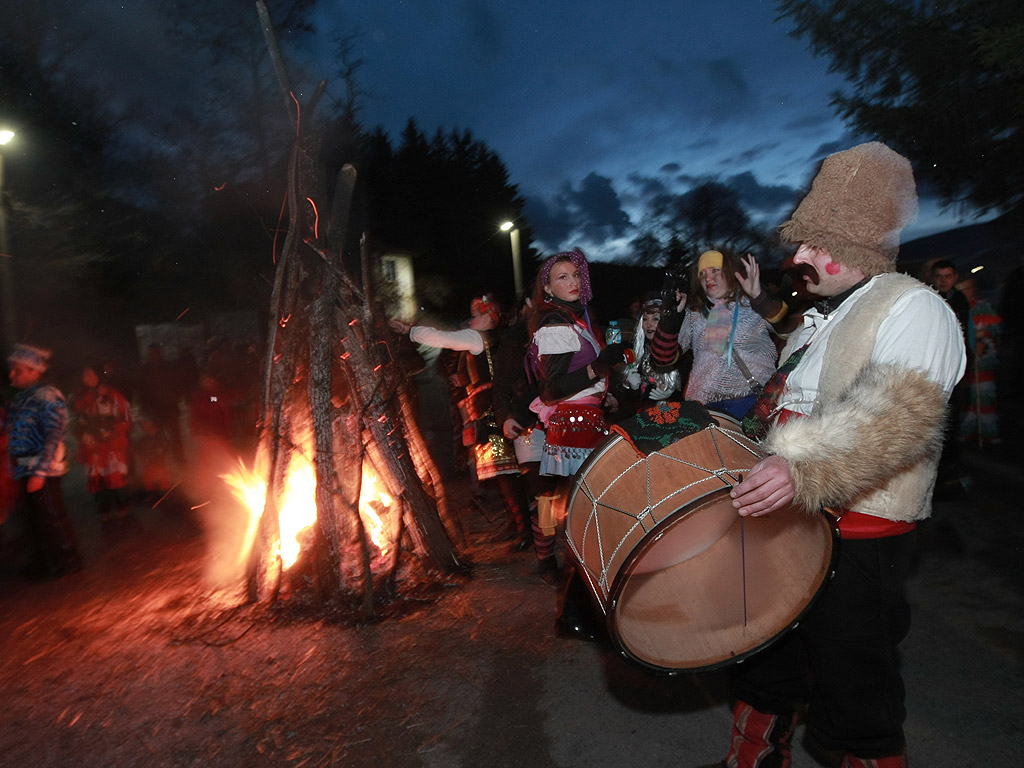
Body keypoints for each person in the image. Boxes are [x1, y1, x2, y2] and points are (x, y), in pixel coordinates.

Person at [711, 142, 966, 768]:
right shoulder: (821, 315)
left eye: (813, 242)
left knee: (855, 692)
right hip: (791, 523)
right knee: (769, 662)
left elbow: (894, 418)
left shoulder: (916, 306)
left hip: (860, 534)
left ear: (854, 244)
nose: (797, 256)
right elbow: (797, 389)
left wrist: (799, 469)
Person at [526, 248, 630, 635]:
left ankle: (582, 610)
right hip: (573, 429)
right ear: (548, 287)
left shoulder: (573, 318)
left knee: (589, 514)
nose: (572, 283)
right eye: (562, 278)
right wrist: (598, 366)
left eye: (575, 276)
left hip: (586, 422)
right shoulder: (553, 321)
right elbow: (552, 388)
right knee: (586, 516)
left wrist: (606, 390)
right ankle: (577, 612)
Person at [390, 295, 530, 545]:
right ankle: (516, 526)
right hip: (492, 412)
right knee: (504, 474)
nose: (470, 319)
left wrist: (411, 331)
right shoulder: (492, 341)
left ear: (488, 318)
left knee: (507, 475)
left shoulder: (478, 338)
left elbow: (443, 338)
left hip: (489, 414)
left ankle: (524, 532)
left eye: (475, 315)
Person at [677, 248, 787, 418]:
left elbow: (785, 329)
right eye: (702, 274)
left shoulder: (752, 304)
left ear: (730, 272)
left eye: (715, 270)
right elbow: (669, 357)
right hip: (704, 407)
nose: (708, 278)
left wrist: (759, 298)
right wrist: (670, 320)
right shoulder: (695, 313)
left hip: (750, 403)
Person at [3, 344, 83, 578]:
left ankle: (69, 562)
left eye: (18, 371)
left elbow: (53, 436)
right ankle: (46, 564)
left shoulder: (48, 396)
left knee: (52, 519)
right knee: (34, 522)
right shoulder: (22, 398)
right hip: (25, 469)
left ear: (34, 372)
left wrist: (40, 472)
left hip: (43, 470)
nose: (11, 375)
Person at [929, 259, 973, 486]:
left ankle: (950, 471)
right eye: (939, 276)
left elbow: (967, 336)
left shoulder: (960, 300)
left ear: (955, 278)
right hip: (934, 367)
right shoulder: (929, 301)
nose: (943, 281)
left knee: (952, 419)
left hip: (956, 368)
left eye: (948, 276)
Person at [71, 364, 133, 522]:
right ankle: (104, 509)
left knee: (115, 476)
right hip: (94, 447)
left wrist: (110, 428)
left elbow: (126, 420)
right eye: (84, 375)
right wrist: (84, 433)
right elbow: (78, 421)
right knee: (97, 478)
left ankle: (122, 507)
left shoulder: (114, 396)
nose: (86, 379)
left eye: (90, 375)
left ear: (99, 376)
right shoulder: (83, 398)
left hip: (112, 446)